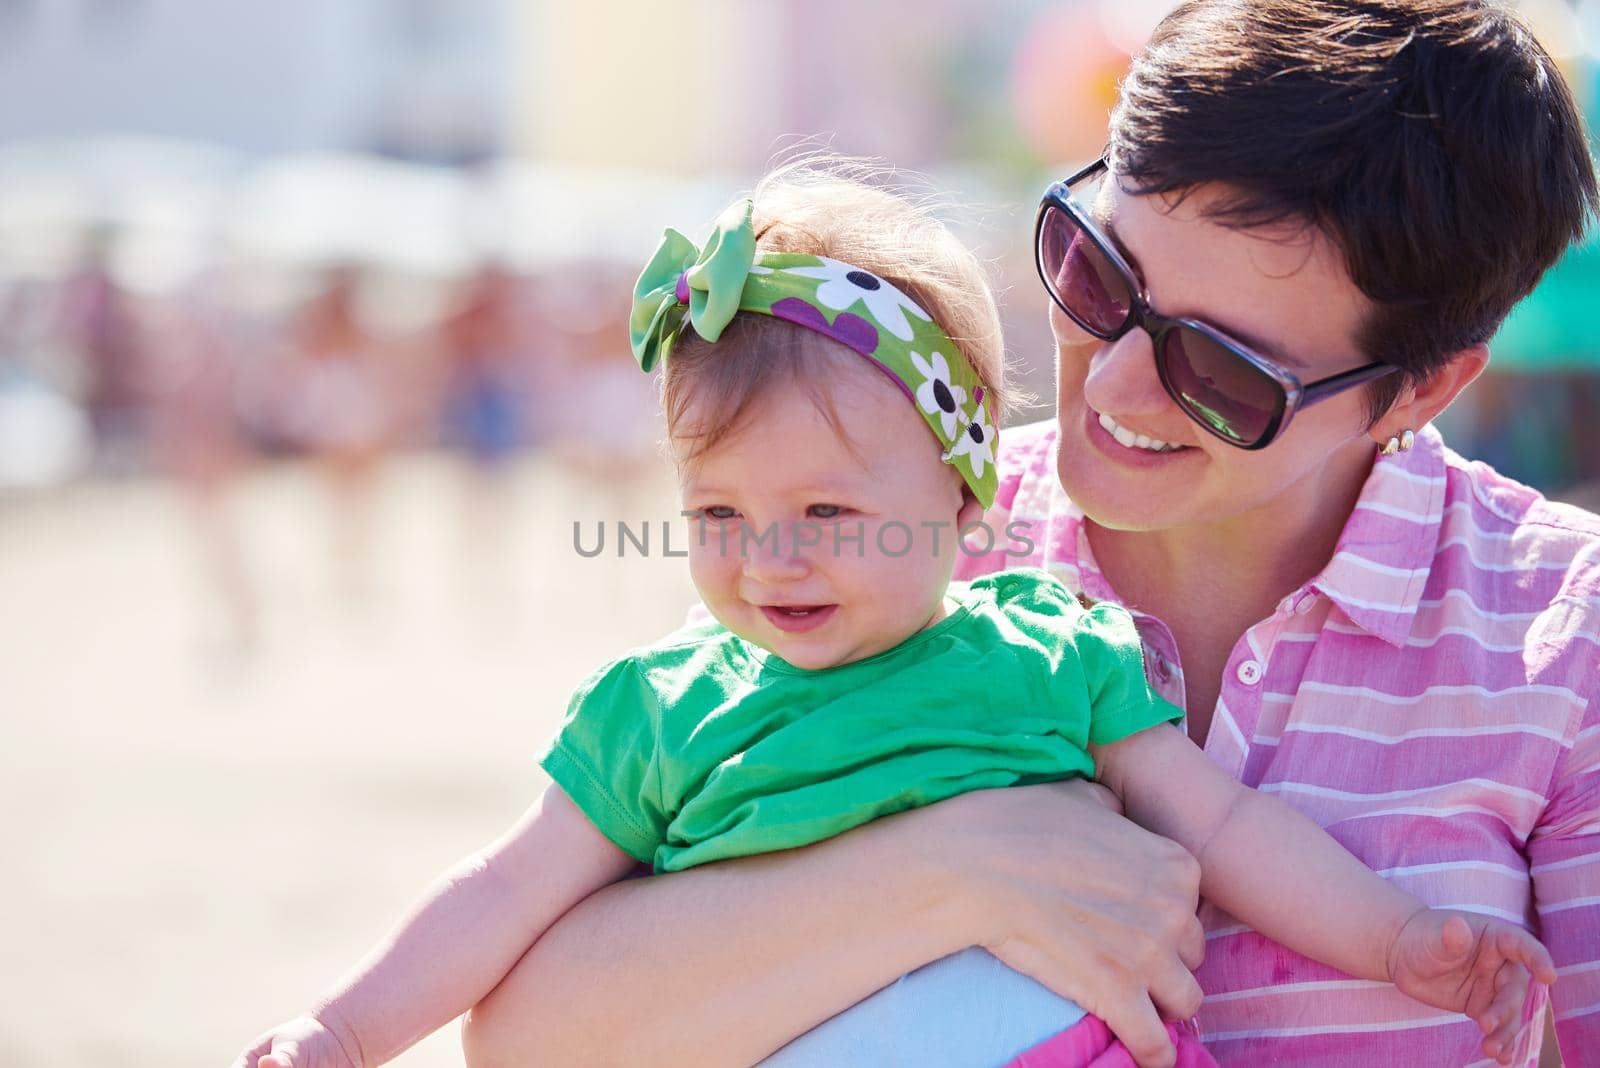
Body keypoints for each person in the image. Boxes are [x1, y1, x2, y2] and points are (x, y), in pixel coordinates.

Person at [460, 2, 1600, 1066]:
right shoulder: (882, 521)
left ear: (1420, 390)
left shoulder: (1563, 638)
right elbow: (532, 1038)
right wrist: (952, 872)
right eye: (1097, 275)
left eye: (1219, 370)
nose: (1109, 382)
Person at [234, 167, 1558, 1068]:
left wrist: (1393, 938)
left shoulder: (1044, 648)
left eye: (824, 512)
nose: (769, 561)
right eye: (716, 517)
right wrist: (342, 1036)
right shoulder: (664, 708)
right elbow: (504, 893)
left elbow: (1224, 830)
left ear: (966, 481)